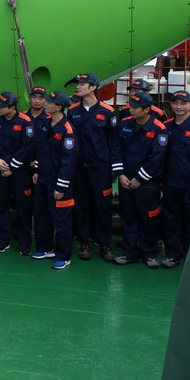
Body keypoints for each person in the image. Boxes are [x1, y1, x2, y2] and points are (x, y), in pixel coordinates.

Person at [111, 92, 168, 269]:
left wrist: (138, 179)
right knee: (128, 216)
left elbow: (156, 158)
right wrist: (120, 174)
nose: (131, 110)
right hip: (126, 181)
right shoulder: (125, 124)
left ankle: (149, 253)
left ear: (147, 109)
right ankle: (129, 252)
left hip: (147, 184)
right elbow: (116, 149)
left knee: (148, 219)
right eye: (130, 106)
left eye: (135, 108)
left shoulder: (159, 129)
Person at [67, 72, 117, 262]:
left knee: (102, 206)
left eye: (82, 84)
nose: (78, 87)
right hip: (80, 168)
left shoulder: (107, 112)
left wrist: (113, 167)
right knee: (81, 205)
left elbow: (113, 141)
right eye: (78, 83)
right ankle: (84, 242)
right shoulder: (73, 112)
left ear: (93, 87)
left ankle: (104, 244)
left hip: (100, 167)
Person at [161, 90, 190, 267]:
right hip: (170, 183)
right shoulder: (165, 126)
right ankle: (173, 255)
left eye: (183, 103)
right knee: (171, 218)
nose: (179, 107)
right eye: (175, 103)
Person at [31, 91, 78, 269]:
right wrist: (37, 170)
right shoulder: (46, 124)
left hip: (59, 183)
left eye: (49, 102)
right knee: (42, 214)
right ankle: (45, 247)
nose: (44, 103)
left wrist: (61, 185)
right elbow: (41, 151)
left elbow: (69, 161)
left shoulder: (68, 130)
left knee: (62, 220)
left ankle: (63, 255)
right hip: (43, 179)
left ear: (58, 107)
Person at [0, 92, 35, 255]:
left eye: (1, 106)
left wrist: (12, 168)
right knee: (0, 206)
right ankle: (3, 240)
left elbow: (27, 147)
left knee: (23, 207)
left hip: (20, 171)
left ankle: (24, 242)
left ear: (12, 108)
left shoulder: (25, 121)